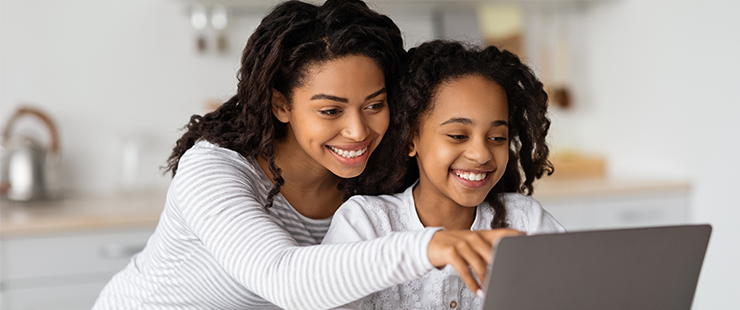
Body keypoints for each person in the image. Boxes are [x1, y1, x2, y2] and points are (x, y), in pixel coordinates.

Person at [93, 2, 520, 309]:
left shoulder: (372, 172)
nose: (358, 130)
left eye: (374, 105)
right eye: (330, 111)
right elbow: (286, 278)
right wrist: (433, 245)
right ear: (281, 105)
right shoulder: (214, 170)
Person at [322, 40, 566, 310]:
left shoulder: (526, 221)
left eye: (497, 137)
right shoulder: (365, 222)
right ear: (410, 139)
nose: (481, 154)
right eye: (458, 136)